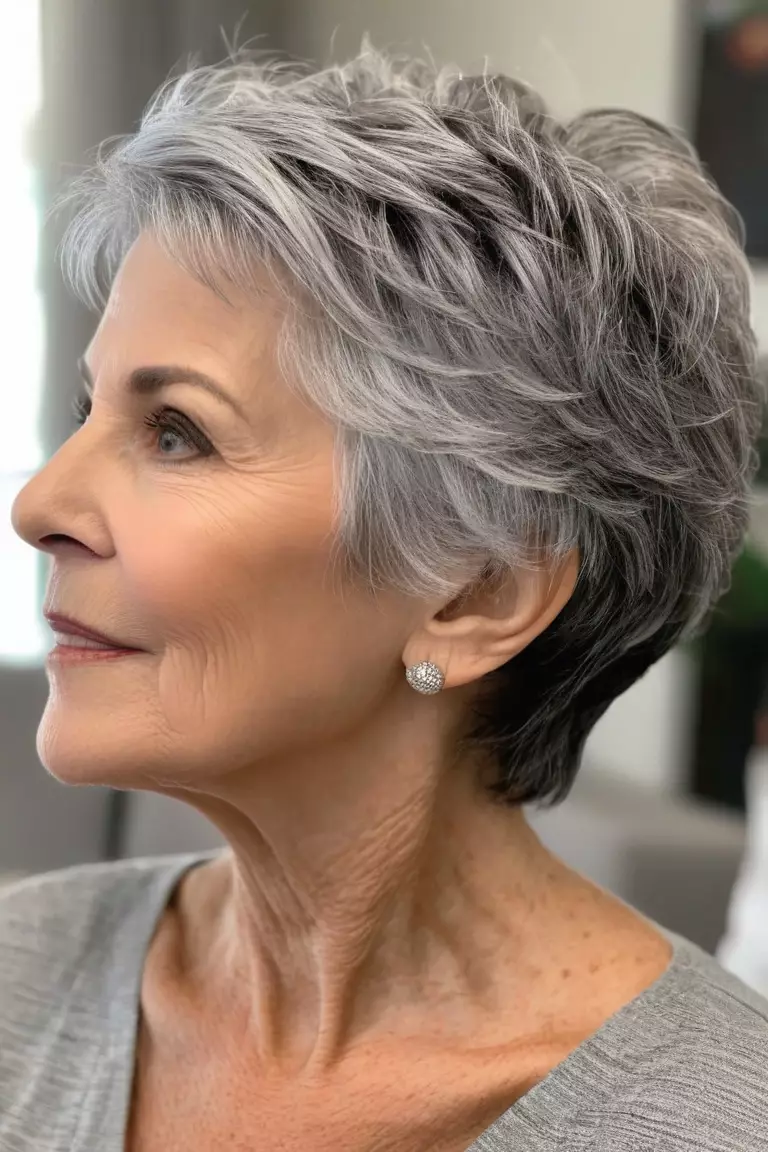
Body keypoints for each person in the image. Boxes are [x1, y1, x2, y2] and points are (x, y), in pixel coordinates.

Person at [3, 40, 768, 1152]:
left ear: (478, 591)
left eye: (178, 433)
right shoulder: (21, 973)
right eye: (91, 412)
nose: (40, 503)